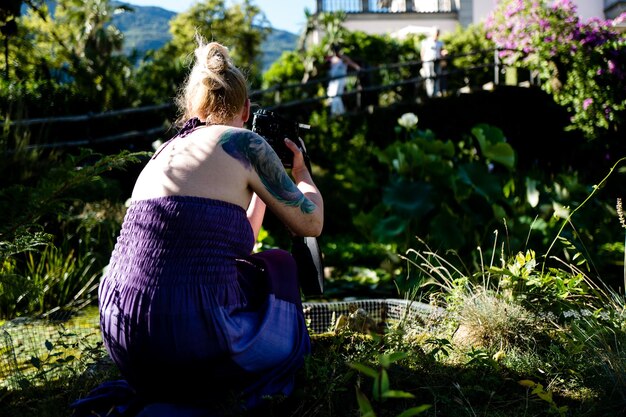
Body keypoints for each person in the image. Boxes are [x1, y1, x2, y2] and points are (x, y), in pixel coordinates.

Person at [95, 37, 324, 415]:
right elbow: (311, 222)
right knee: (279, 264)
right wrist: (300, 173)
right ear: (246, 108)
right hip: (189, 335)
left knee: (236, 265)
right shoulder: (245, 142)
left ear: (192, 107)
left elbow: (238, 241)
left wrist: (261, 190)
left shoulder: (166, 150)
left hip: (124, 334)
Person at [326, 44, 360, 116]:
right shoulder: (332, 58)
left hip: (340, 80)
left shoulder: (343, 58)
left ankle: (335, 113)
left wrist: (359, 68)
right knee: (333, 96)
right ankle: (340, 113)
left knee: (336, 96)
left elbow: (352, 64)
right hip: (333, 81)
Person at [420, 27, 447, 97]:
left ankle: (436, 93)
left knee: (437, 77)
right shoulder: (426, 41)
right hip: (428, 62)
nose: (436, 35)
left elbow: (441, 51)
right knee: (429, 77)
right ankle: (430, 94)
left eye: (437, 34)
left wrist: (443, 54)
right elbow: (422, 52)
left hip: (437, 61)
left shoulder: (440, 43)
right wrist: (423, 62)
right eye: (436, 33)